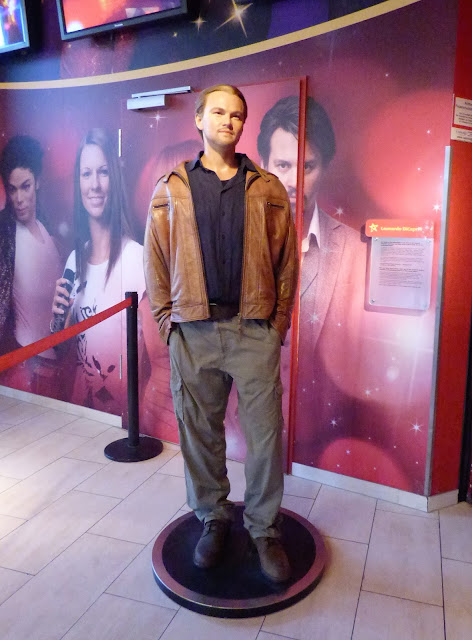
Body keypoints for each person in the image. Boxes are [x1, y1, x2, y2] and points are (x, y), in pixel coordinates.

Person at [144, 84, 299, 582]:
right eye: (217, 112)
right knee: (200, 433)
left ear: (243, 124)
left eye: (236, 114)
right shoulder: (172, 187)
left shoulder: (268, 188)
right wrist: (167, 323)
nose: (227, 121)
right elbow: (155, 260)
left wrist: (277, 325)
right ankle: (213, 517)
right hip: (193, 331)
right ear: (199, 119)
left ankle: (264, 529)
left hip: (254, 330)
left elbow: (287, 261)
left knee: (265, 437)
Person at [257, 96, 366, 468]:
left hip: (323, 443)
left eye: (307, 166)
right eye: (283, 165)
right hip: (246, 432)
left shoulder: (353, 250)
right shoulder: (236, 241)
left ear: (326, 167)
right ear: (263, 165)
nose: (293, 181)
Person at [51, 128, 146, 415]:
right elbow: (61, 350)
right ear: (78, 182)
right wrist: (58, 322)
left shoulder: (138, 260)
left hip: (128, 417)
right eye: (86, 174)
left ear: (114, 179)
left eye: (103, 172)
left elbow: (157, 361)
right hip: (84, 411)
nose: (94, 185)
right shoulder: (74, 261)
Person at [0, 135, 61, 392]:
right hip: (24, 367)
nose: (19, 198)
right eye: (12, 189)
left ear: (38, 182)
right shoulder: (5, 234)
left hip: (53, 367)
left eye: (25, 186)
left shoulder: (46, 231)